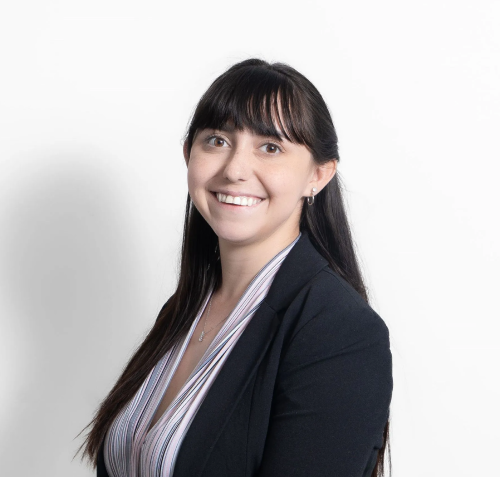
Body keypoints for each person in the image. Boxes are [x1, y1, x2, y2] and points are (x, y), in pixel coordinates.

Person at [77, 58, 393, 476]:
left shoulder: (339, 332)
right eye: (217, 141)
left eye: (271, 147)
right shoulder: (184, 309)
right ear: (188, 153)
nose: (235, 169)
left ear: (318, 175)